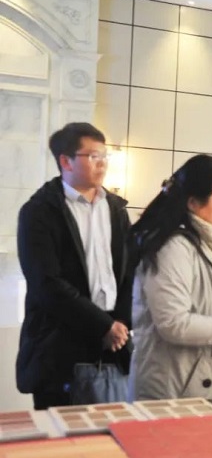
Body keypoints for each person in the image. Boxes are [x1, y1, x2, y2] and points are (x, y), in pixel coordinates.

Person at [17, 122, 133, 410]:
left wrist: (119, 325)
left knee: (113, 431)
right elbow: (46, 283)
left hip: (113, 344)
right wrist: (102, 326)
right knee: (62, 433)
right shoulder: (39, 211)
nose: (102, 163)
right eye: (93, 156)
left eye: (104, 155)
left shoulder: (116, 209)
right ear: (66, 161)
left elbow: (129, 273)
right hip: (60, 346)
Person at [128, 155, 212, 400]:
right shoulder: (172, 247)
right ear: (194, 202)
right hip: (171, 392)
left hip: (209, 384)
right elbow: (173, 323)